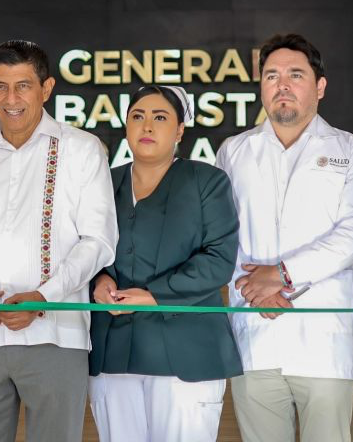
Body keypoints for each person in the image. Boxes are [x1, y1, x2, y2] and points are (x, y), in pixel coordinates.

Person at [0, 39, 117, 442]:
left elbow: (98, 240)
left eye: (23, 86)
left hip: (57, 334)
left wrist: (44, 297)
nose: (11, 99)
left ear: (46, 88)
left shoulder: (83, 150)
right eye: (0, 86)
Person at [216, 33, 353, 442]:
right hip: (255, 335)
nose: (282, 85)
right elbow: (222, 234)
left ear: (320, 87)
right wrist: (254, 289)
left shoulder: (351, 151)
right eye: (271, 76)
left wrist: (282, 274)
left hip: (324, 343)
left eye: (295, 75)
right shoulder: (234, 151)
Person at [89, 85, 243, 442]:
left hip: (188, 355)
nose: (147, 126)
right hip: (114, 353)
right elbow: (85, 248)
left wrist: (153, 295)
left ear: (179, 130)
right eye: (138, 117)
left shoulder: (207, 181)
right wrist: (99, 281)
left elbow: (219, 260)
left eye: (160, 118)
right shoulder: (104, 183)